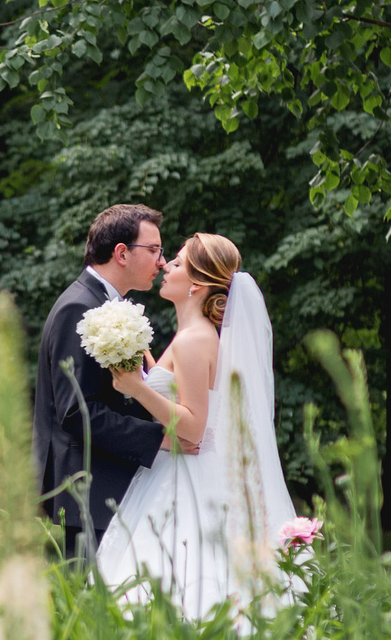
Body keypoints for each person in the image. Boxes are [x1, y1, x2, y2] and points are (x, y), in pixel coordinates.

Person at [96, 233, 301, 618]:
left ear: (196, 285)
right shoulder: (191, 336)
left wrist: (137, 389)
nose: (165, 266)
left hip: (185, 476)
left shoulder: (194, 341)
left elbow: (192, 427)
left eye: (176, 262)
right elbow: (177, 390)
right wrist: (138, 353)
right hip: (176, 470)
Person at [35, 204, 169, 558]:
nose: (161, 261)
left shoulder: (106, 304)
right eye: (154, 249)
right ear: (122, 253)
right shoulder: (78, 308)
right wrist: (158, 438)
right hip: (89, 489)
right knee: (89, 607)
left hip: (108, 484)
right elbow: (77, 412)